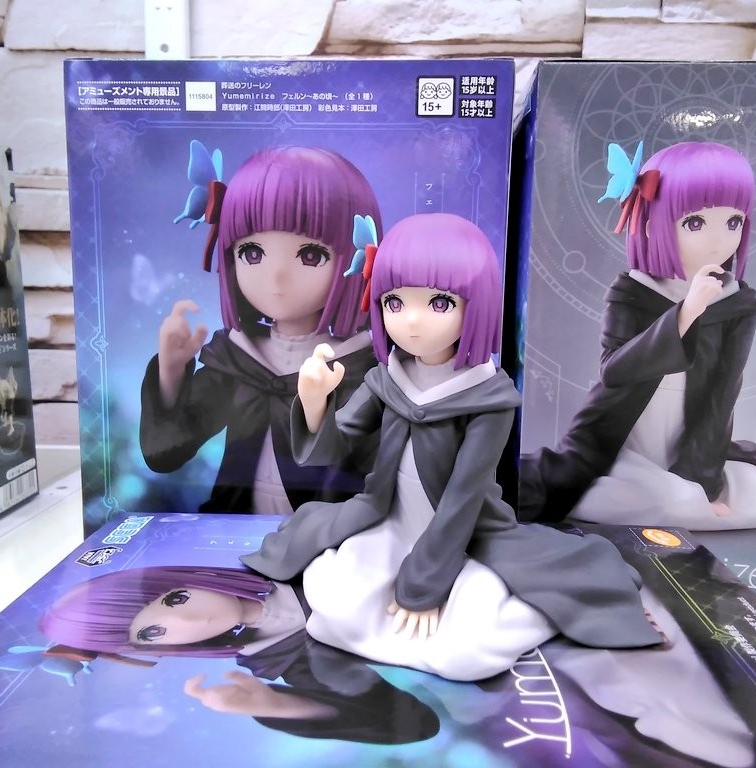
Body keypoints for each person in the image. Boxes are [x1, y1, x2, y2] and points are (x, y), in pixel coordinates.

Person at [241, 212, 662, 682]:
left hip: (465, 537)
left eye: (439, 303)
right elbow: (332, 450)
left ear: (475, 305)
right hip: (387, 522)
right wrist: (315, 401)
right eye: (395, 302)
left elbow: (463, 497)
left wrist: (422, 585)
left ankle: (541, 611)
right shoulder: (386, 380)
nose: (411, 320)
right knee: (334, 613)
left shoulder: (489, 396)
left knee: (466, 652)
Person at [520, 141, 756, 531]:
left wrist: (702, 480)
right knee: (673, 504)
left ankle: (685, 485)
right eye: (695, 223)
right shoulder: (633, 291)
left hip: (692, 443)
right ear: (652, 224)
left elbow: (722, 398)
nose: (718, 241)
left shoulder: (736, 303)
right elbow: (614, 370)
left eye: (733, 222)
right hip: (622, 440)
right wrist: (686, 313)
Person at [139, 146, 382, 515]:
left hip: (324, 534)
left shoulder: (359, 368)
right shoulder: (239, 361)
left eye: (311, 255)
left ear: (355, 260)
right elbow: (166, 452)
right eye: (252, 253)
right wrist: (170, 372)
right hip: (237, 527)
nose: (276, 276)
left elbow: (373, 468)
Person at [38, 565, 439, 744]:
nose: (190, 620)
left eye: (175, 599)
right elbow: (415, 724)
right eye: (153, 633)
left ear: (183, 579)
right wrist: (279, 706)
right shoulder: (283, 658)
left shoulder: (287, 556)